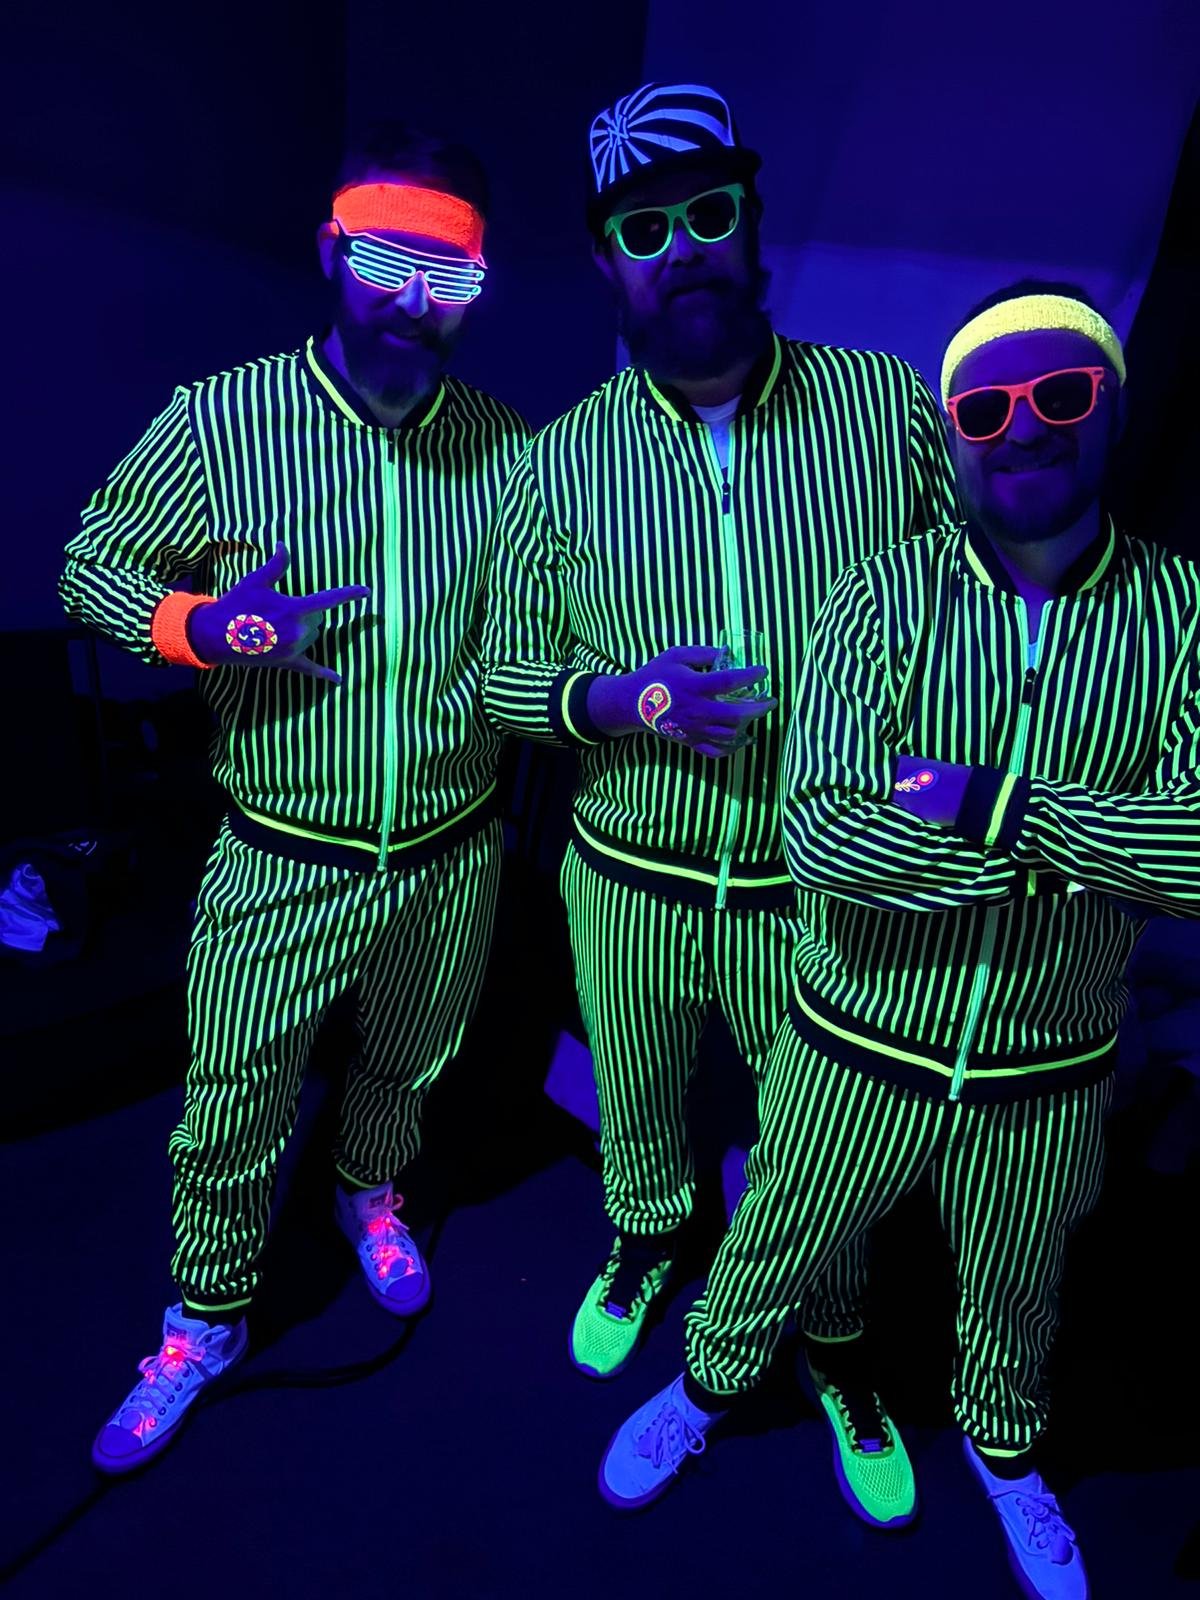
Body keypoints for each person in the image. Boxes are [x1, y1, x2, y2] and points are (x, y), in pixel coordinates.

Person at [602, 284, 1200, 1599]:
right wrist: (1086, 853)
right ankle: (702, 1397)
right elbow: (825, 839)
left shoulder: (1184, 612)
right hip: (851, 1047)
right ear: (954, 430)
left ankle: (1006, 1455)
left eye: (1063, 397)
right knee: (770, 1247)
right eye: (990, 408)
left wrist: (997, 805)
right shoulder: (878, 597)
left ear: (1113, 408)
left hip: (1049, 1067)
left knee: (1018, 1291)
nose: (1026, 429)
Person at [481, 77, 957, 1488]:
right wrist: (618, 700)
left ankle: (840, 1345)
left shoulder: (885, 408)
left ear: (751, 230)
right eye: (645, 227)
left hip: (823, 886)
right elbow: (505, 682)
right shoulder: (556, 460)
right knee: (636, 1100)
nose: (680, 245)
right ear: (608, 262)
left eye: (707, 212)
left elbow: (966, 608)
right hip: (626, 877)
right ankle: (642, 1244)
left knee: (818, 1152)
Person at [61, 123, 529, 1473]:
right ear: (332, 251)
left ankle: (366, 1190)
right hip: (283, 853)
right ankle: (203, 1319)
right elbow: (90, 569)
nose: (412, 301)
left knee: (411, 1061)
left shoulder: (504, 449)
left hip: (452, 852)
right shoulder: (219, 420)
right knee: (233, 1099)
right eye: (387, 259)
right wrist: (203, 630)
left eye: (451, 278)